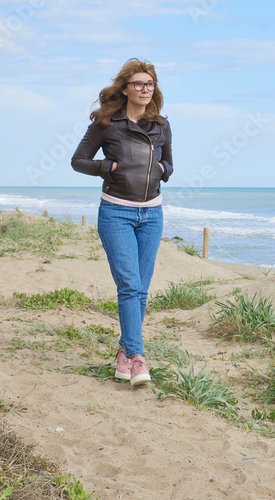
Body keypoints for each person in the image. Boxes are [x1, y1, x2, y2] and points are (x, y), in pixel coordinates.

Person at [71, 59, 173, 386]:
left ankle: (123, 353)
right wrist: (109, 168)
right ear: (125, 89)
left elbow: (168, 162)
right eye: (139, 84)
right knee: (129, 285)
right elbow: (79, 161)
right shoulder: (107, 124)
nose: (146, 89)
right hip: (116, 211)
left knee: (140, 290)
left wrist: (162, 171)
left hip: (152, 214)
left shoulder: (161, 125)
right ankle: (138, 358)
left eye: (150, 84)